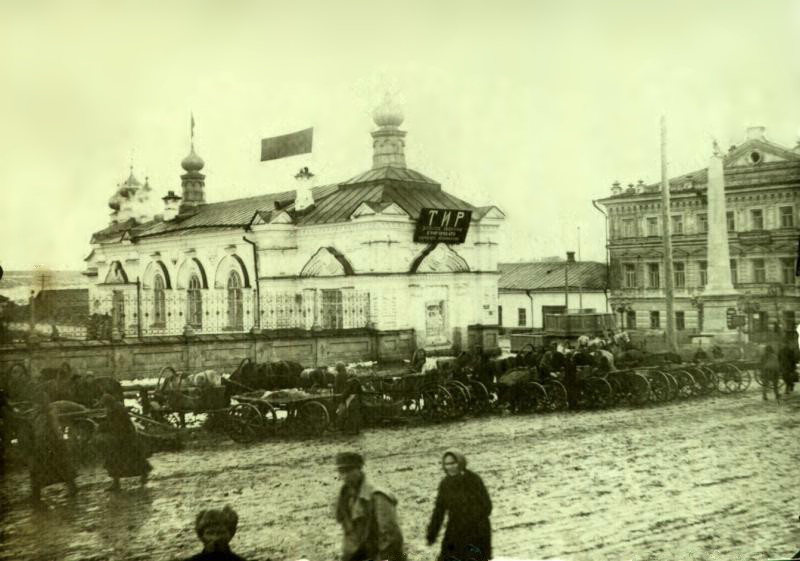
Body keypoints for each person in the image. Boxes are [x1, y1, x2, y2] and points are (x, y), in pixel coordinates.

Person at [334, 452, 404, 561]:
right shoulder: (345, 495)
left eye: (348, 471)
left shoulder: (378, 496)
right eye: (341, 472)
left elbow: (390, 536)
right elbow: (348, 530)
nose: (344, 476)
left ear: (359, 470)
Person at [426, 451, 492, 561]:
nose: (450, 467)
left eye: (453, 463)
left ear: (461, 463)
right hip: (454, 531)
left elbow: (487, 506)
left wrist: (470, 519)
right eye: (447, 464)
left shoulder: (473, 480)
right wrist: (432, 534)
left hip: (477, 532)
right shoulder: (445, 484)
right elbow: (439, 510)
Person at [28, 392, 78, 503]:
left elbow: (55, 426)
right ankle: (36, 493)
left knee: (59, 465)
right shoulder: (39, 412)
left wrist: (60, 438)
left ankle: (71, 488)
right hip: (44, 443)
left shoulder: (47, 412)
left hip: (50, 442)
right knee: (58, 465)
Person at [98, 393, 152, 491]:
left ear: (108, 403)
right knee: (125, 459)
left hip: (125, 438)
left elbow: (118, 425)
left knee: (120, 460)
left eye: (105, 405)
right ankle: (118, 482)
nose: (105, 407)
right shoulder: (116, 407)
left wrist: (104, 426)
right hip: (123, 437)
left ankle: (118, 483)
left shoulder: (115, 410)